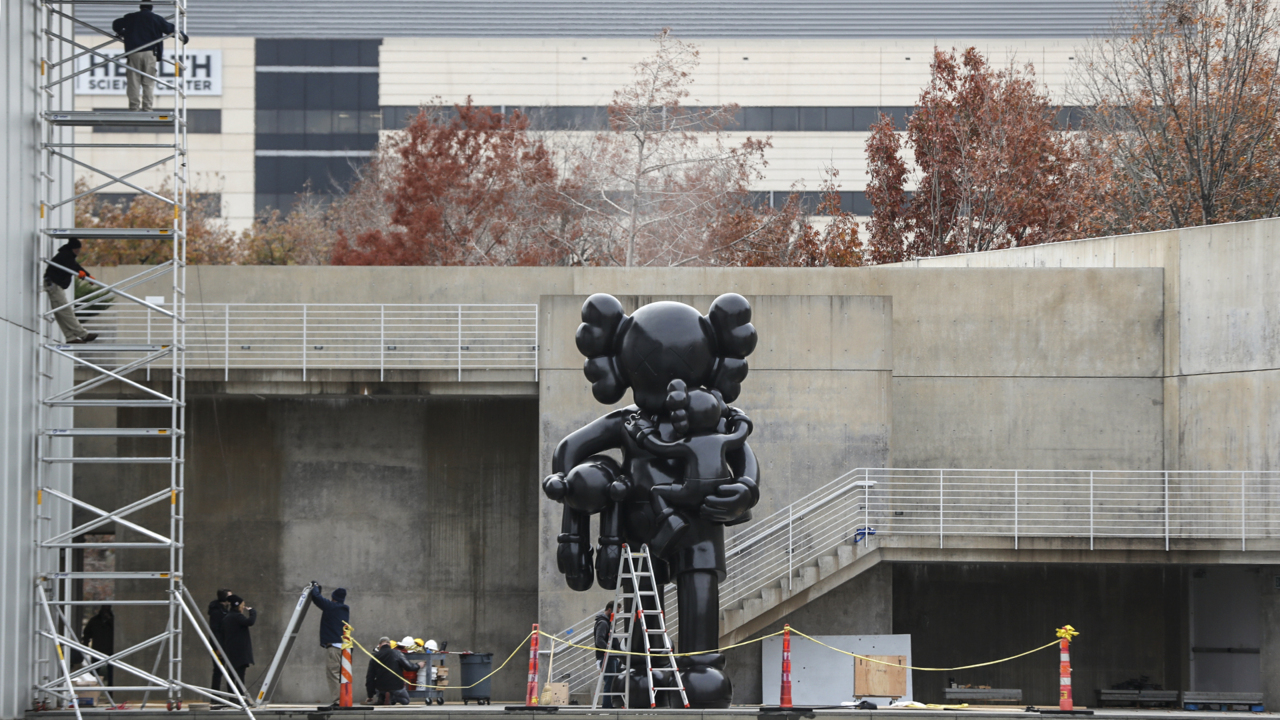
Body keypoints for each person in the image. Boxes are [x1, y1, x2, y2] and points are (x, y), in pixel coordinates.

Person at [111, 3, 188, 111]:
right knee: (148, 81)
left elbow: (116, 24)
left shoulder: (131, 17)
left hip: (134, 52)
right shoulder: (156, 18)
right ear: (151, 8)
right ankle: (147, 107)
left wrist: (123, 33)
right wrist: (183, 37)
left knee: (133, 81)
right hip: (150, 53)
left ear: (140, 7)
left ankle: (134, 107)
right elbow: (171, 29)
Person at [43, 239, 97, 344]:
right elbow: (73, 267)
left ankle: (70, 337)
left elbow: (75, 266)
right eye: (77, 249)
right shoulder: (65, 256)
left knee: (61, 312)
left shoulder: (66, 255)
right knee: (66, 311)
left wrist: (87, 275)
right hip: (54, 285)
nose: (78, 252)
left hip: (54, 285)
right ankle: (83, 334)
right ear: (73, 248)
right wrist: (83, 275)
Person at [308, 584, 349, 708]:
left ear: (333, 598)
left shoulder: (332, 607)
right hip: (344, 648)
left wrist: (315, 586)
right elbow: (319, 598)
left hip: (335, 648)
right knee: (344, 675)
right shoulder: (344, 609)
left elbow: (316, 598)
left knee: (333, 673)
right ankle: (345, 699)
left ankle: (338, 701)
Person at [364, 637, 423, 706]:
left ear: (379, 645)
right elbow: (409, 667)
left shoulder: (374, 657)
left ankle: (383, 697)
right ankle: (393, 698)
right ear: (390, 644)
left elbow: (369, 677)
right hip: (396, 685)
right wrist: (418, 665)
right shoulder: (397, 653)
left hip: (381, 687)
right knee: (406, 701)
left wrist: (370, 695)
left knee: (381, 689)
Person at [220, 596, 256, 687]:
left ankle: (233, 697)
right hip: (240, 652)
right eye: (242, 605)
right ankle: (240, 697)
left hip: (231, 650)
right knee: (240, 676)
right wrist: (253, 612)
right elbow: (250, 622)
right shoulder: (237, 617)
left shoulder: (227, 617)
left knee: (232, 675)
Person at [593, 601, 622, 708]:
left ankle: (609, 705)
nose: (617, 615)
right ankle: (607, 705)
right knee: (610, 681)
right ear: (609, 610)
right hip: (607, 657)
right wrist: (610, 651)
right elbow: (599, 640)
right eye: (616, 612)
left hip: (610, 657)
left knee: (611, 681)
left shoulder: (608, 623)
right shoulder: (603, 623)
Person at [81, 605, 114, 687]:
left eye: (107, 609)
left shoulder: (113, 620)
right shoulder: (94, 621)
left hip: (111, 650)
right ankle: (92, 689)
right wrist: (85, 646)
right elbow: (87, 633)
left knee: (112, 673)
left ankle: (111, 692)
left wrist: (110, 620)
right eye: (104, 609)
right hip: (97, 649)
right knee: (94, 672)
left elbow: (119, 631)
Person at [207, 589, 233, 691]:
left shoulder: (225, 610)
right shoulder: (217, 612)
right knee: (218, 670)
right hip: (219, 645)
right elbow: (215, 631)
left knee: (223, 670)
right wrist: (218, 647)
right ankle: (215, 695)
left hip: (225, 644)